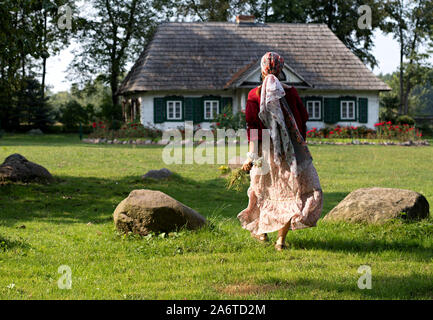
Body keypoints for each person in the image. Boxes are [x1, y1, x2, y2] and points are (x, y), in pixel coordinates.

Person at [237, 52, 323, 251]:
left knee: (263, 191)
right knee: (288, 193)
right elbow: (302, 119)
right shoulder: (290, 93)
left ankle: (262, 233)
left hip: (265, 150)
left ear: (261, 69)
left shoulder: (254, 95)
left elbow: (253, 129)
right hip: (289, 151)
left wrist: (251, 156)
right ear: (281, 70)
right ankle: (280, 241)